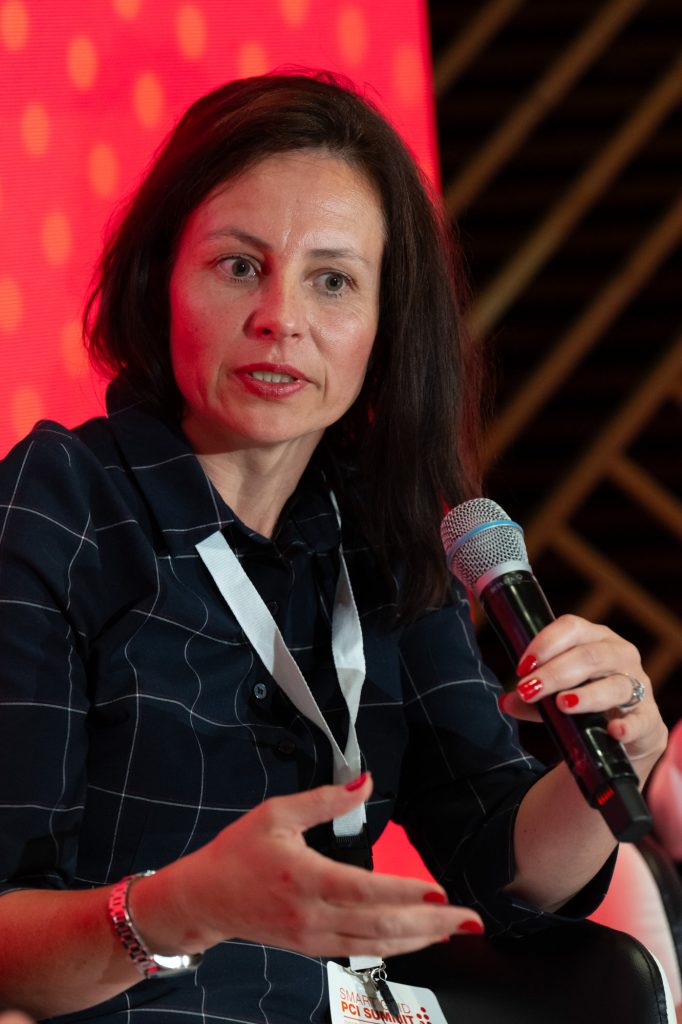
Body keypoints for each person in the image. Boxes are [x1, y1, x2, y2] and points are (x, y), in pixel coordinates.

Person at [0, 71, 668, 1022]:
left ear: (386, 324)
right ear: (160, 280)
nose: (282, 318)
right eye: (239, 266)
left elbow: (501, 864)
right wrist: (182, 908)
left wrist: (605, 754)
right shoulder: (62, 501)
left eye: (333, 281)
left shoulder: (386, 529)